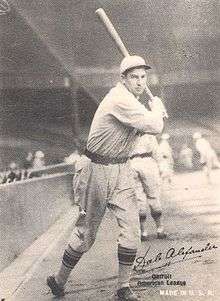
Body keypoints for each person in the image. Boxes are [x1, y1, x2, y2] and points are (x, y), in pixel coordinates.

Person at [46, 55, 165, 300]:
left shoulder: (133, 100)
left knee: (132, 231)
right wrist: (157, 111)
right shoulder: (119, 99)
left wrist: (154, 113)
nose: (140, 82)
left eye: (143, 77)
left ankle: (123, 287)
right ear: (123, 79)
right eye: (134, 77)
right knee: (86, 236)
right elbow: (154, 126)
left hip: (122, 170)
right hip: (95, 169)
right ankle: (59, 280)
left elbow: (150, 123)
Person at [130, 133, 167, 241]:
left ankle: (143, 232)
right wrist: (162, 167)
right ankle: (160, 229)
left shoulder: (127, 133)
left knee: (138, 198)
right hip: (147, 162)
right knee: (153, 195)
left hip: (132, 163)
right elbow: (157, 153)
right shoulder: (149, 134)